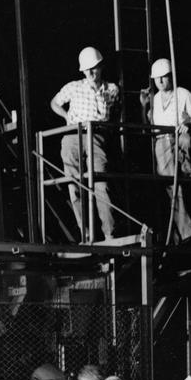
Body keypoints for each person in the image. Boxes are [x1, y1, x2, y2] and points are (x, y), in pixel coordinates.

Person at [50, 46, 121, 242]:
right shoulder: (74, 87)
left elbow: (116, 113)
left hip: (97, 137)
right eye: (86, 69)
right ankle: (85, 233)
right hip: (73, 135)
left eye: (94, 68)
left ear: (101, 66)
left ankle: (109, 234)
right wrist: (67, 118)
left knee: (101, 183)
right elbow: (54, 102)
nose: (90, 73)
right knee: (74, 184)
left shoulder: (113, 89)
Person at [139, 57, 191, 243]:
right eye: (157, 78)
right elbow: (147, 127)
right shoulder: (155, 99)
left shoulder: (183, 94)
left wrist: (189, 122)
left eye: (164, 77)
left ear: (171, 76)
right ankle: (182, 234)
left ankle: (184, 234)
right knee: (171, 187)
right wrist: (144, 106)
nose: (160, 82)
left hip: (178, 140)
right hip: (162, 143)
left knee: (175, 185)